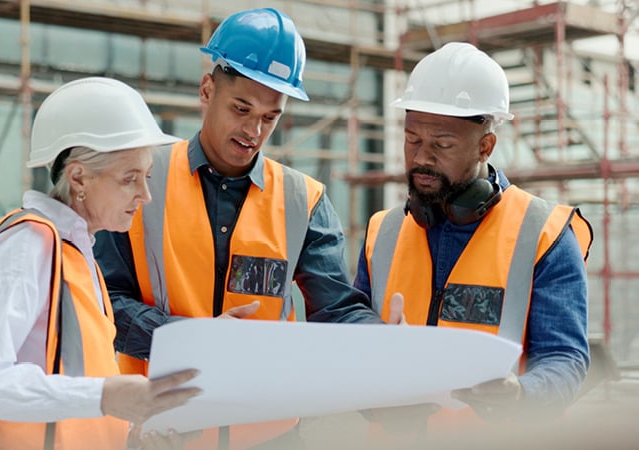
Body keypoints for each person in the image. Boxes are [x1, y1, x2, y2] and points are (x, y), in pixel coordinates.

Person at [93, 7, 388, 449]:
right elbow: (102, 300)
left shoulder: (303, 201)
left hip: (270, 434)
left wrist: (389, 345)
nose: (253, 130)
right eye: (241, 108)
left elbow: (336, 309)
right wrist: (193, 342)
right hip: (160, 430)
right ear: (207, 90)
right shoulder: (140, 178)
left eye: (271, 117)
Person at [354, 42, 593, 443]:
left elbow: (565, 360)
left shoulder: (544, 233)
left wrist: (521, 396)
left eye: (442, 144)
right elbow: (350, 348)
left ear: (485, 146)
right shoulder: (384, 232)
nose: (422, 158)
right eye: (412, 139)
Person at [0, 77, 202, 450]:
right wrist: (104, 397)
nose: (144, 195)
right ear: (79, 177)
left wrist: (128, 434)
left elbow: (79, 379)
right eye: (130, 179)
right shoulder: (25, 247)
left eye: (146, 177)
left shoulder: (76, 254)